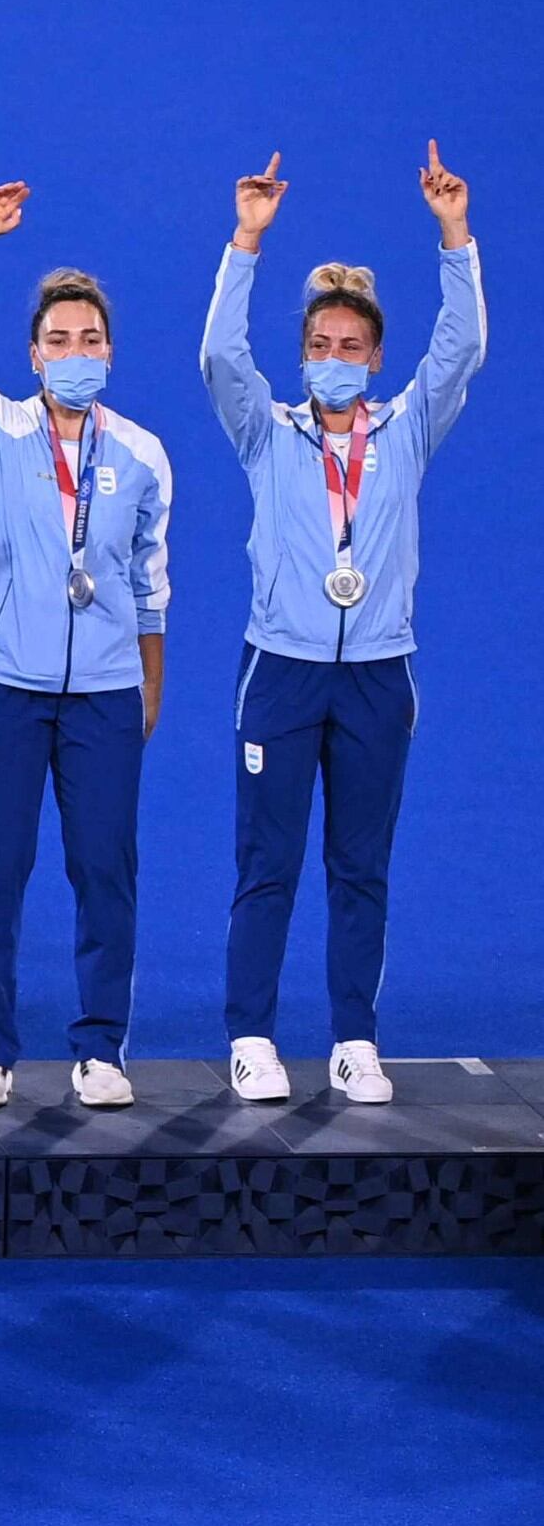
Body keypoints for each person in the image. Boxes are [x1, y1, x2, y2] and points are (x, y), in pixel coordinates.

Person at [202, 145, 484, 1106]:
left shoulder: (405, 430)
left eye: (350, 346)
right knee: (266, 863)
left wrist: (454, 234)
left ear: (375, 356)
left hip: (377, 673)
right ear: (303, 356)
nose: (332, 359)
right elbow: (216, 357)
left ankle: (355, 1039)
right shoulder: (265, 433)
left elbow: (464, 349)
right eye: (318, 345)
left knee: (361, 866)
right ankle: (252, 1036)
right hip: (278, 671)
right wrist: (247, 240)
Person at [0, 185, 174, 1112]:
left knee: (106, 867)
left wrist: (149, 683)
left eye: (88, 339)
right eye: (57, 340)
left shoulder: (141, 453)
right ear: (32, 355)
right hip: (2, 688)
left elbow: (149, 580)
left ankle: (101, 1049)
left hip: (104, 692)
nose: (73, 353)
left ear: (111, 351)